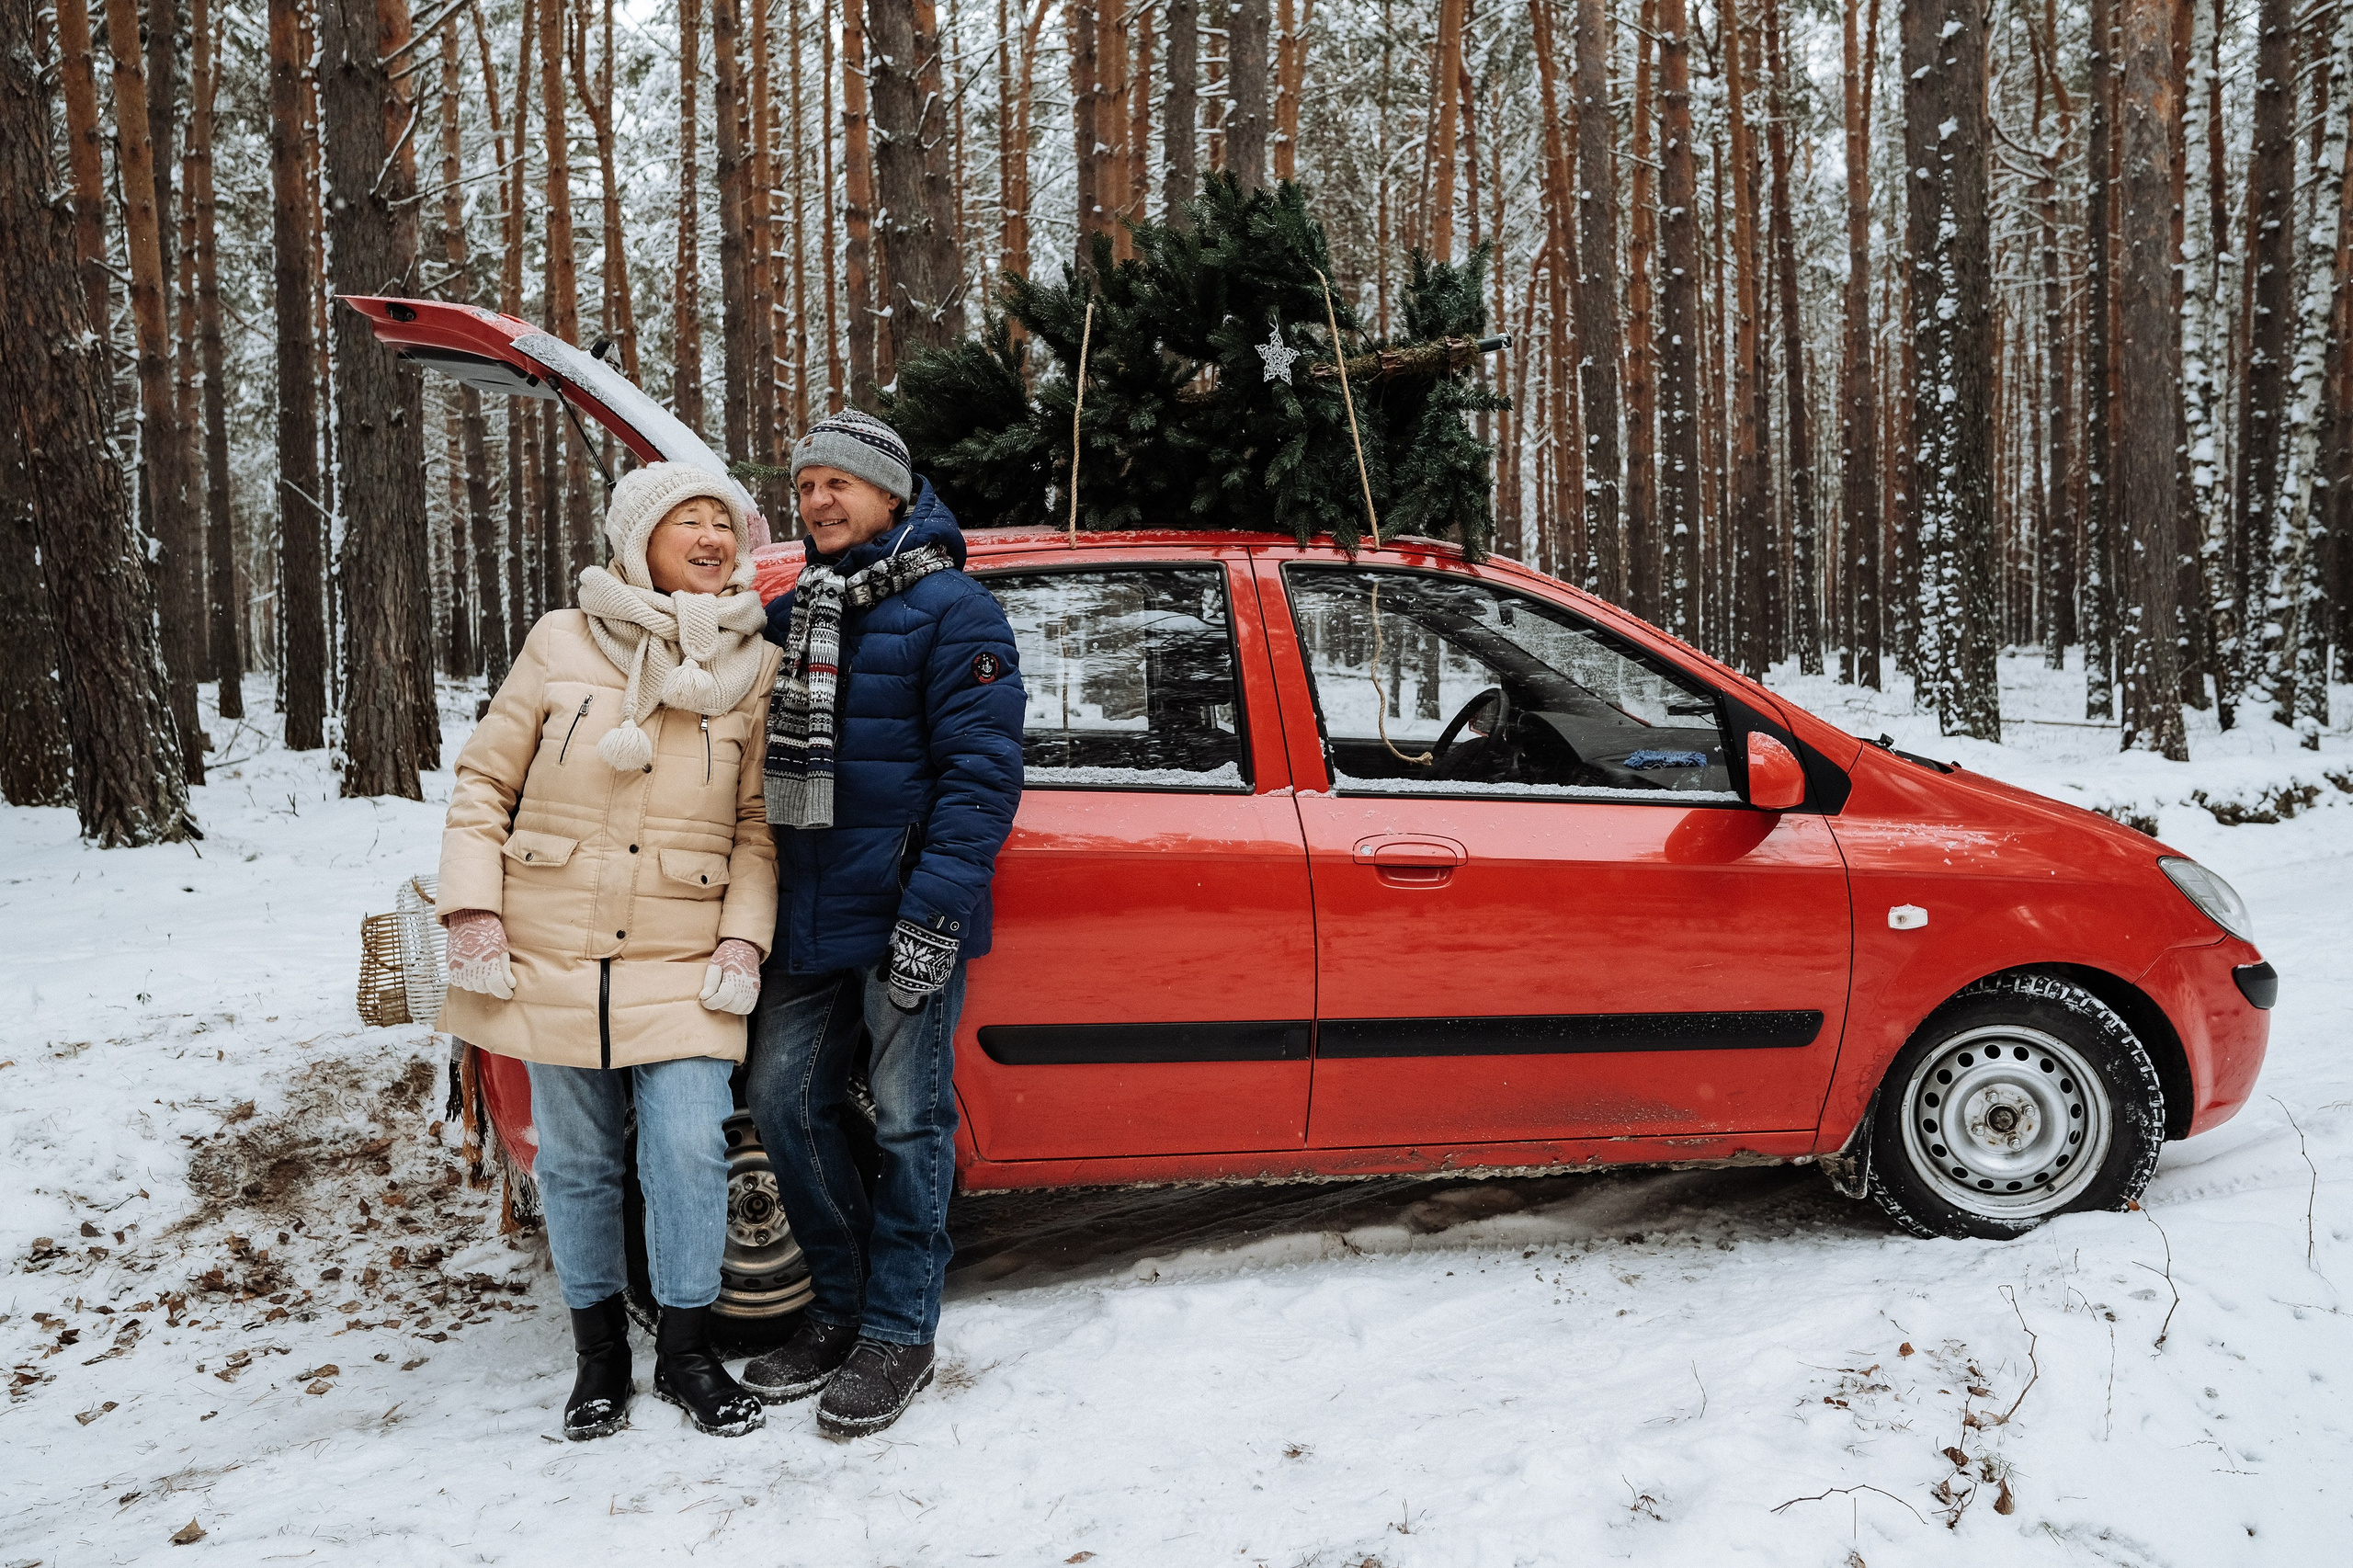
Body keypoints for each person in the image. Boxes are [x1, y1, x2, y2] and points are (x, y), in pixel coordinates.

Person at [435, 463, 782, 1442]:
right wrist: (473, 909)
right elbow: (481, 783)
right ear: (639, 538)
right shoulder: (560, 638)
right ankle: (597, 1358)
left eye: (725, 522)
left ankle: (686, 1351)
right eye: (689, 520)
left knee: (685, 1150)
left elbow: (756, 824)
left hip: (682, 954)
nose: (712, 537)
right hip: (549, 945)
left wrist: (742, 938)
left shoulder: (755, 665)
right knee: (580, 1160)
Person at [738, 411, 1025, 1437]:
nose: (816, 500)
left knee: (909, 1122)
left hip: (906, 911)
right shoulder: (799, 608)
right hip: (809, 908)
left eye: (837, 484)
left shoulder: (956, 611)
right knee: (783, 1101)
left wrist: (934, 913)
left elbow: (981, 780)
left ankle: (900, 1325)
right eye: (805, 484)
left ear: (891, 497)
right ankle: (842, 1304)